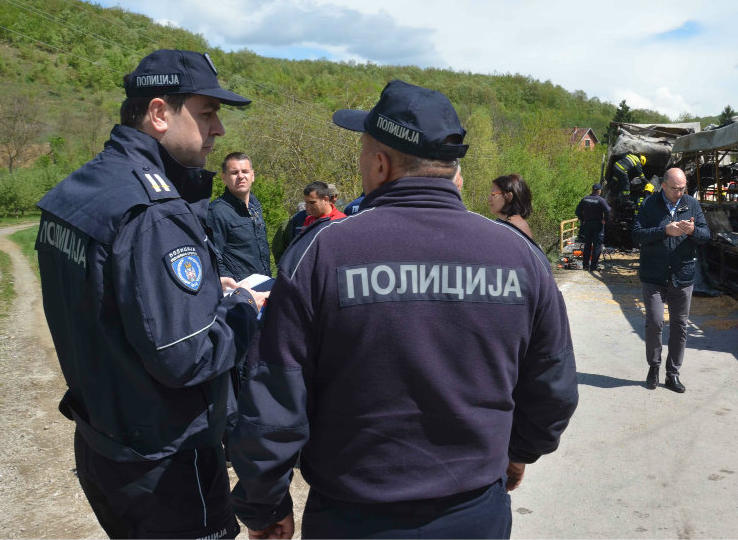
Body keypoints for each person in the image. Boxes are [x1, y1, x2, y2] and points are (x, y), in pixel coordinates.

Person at [229, 79, 578, 539]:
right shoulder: (520, 255)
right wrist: (519, 451)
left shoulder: (321, 253)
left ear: (379, 163)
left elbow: (274, 395)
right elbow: (554, 388)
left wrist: (265, 503)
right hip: (474, 513)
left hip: (352, 518)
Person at [34, 49, 268, 539]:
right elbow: (188, 356)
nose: (219, 129)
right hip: (167, 461)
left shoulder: (82, 189)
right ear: (159, 113)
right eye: (207, 113)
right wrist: (243, 306)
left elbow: (113, 300)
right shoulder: (154, 211)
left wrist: (205, 291)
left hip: (104, 439)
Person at [632, 167, 710, 393]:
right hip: (654, 275)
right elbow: (636, 235)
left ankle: (672, 373)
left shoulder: (691, 204)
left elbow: (706, 235)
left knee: (680, 326)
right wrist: (664, 230)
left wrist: (693, 230)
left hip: (682, 274)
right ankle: (654, 367)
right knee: (655, 322)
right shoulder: (649, 204)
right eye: (675, 188)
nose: (680, 192)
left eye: (683, 188)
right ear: (663, 186)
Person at [208, 152, 272, 281]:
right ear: (224, 178)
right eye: (234, 172)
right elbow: (212, 256)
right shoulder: (217, 212)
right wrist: (231, 284)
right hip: (238, 288)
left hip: (262, 284)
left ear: (252, 176)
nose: (241, 176)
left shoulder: (255, 207)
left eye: (245, 171)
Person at [271, 181, 346, 263]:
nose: (308, 207)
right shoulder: (309, 219)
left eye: (312, 203)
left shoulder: (341, 221)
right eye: (306, 202)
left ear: (325, 200)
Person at [575, 183, 611, 271]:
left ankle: (585, 265)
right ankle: (593, 266)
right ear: (599, 191)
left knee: (587, 245)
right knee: (597, 246)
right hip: (597, 224)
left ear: (592, 190)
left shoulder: (585, 199)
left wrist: (582, 219)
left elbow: (577, 211)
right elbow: (607, 211)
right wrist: (605, 220)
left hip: (587, 224)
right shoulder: (601, 200)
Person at [488, 173, 534, 239]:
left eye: (493, 194)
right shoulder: (512, 224)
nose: (489, 199)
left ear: (509, 197)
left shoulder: (512, 228)